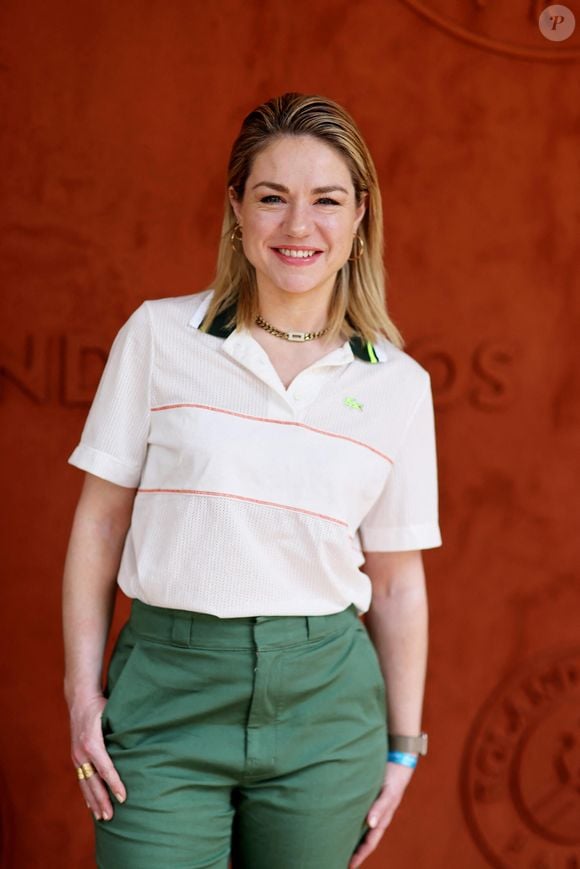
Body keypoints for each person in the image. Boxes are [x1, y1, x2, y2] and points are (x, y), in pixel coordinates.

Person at [63, 92, 442, 869]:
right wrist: (80, 696)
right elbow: (99, 525)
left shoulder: (397, 383)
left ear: (360, 214)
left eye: (326, 201)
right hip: (167, 689)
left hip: (326, 705)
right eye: (272, 198)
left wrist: (403, 747)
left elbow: (399, 582)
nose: (298, 227)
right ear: (237, 208)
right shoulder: (160, 336)